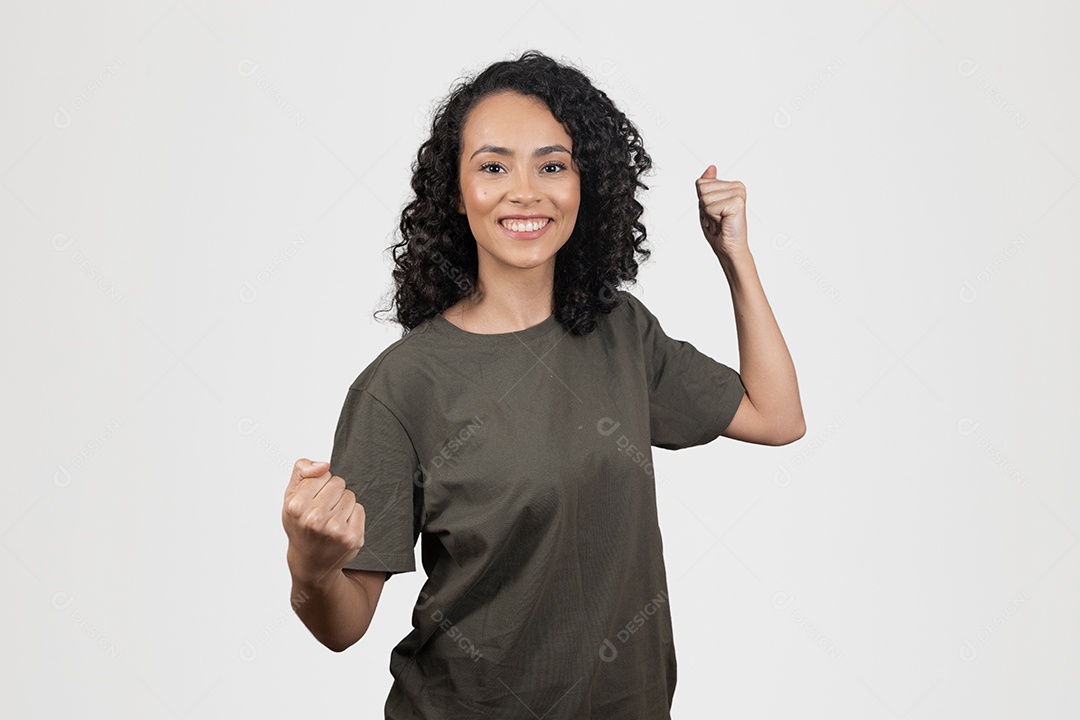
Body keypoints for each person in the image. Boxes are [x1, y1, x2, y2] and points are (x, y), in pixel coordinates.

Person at [281, 50, 804, 719]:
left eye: (551, 165)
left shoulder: (621, 333)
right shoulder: (402, 386)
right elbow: (342, 626)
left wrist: (735, 256)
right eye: (494, 166)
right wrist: (311, 565)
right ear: (457, 191)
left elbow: (777, 416)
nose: (524, 190)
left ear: (586, 185)